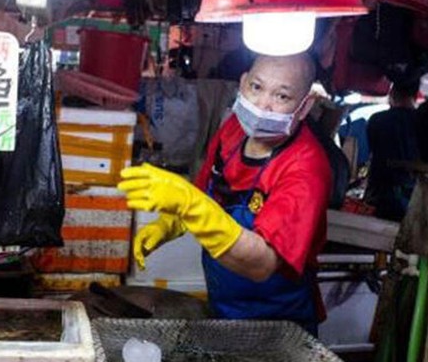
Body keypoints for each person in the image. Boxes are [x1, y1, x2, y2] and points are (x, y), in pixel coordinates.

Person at [118, 54, 332, 334]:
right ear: (242, 84)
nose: (262, 105)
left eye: (281, 96)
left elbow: (262, 264)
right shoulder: (233, 130)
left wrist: (190, 205)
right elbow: (207, 194)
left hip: (280, 328)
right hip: (224, 308)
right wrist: (170, 223)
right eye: (256, 88)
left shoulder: (306, 167)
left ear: (305, 107)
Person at [365, 82, 421, 221]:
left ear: (391, 95)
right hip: (413, 195)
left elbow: (369, 151)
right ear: (415, 96)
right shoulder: (423, 120)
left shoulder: (377, 120)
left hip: (379, 192)